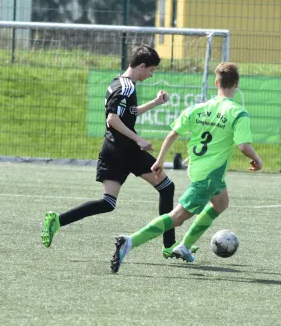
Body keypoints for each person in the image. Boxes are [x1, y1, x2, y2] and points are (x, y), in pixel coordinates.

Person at [41, 44, 197, 258]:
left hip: (112, 149)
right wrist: (138, 139)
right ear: (141, 66)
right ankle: (169, 245)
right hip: (127, 151)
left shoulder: (119, 81)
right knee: (167, 187)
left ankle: (58, 220)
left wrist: (154, 103)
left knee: (108, 203)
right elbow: (112, 119)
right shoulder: (127, 88)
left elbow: (127, 114)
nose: (152, 75)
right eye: (151, 70)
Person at [110, 62, 263, 274]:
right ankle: (130, 241)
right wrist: (257, 159)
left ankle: (184, 246)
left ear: (216, 82)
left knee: (221, 203)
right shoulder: (238, 113)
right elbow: (244, 146)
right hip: (210, 175)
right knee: (177, 218)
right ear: (236, 84)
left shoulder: (198, 108)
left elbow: (173, 133)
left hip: (201, 171)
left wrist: (160, 160)